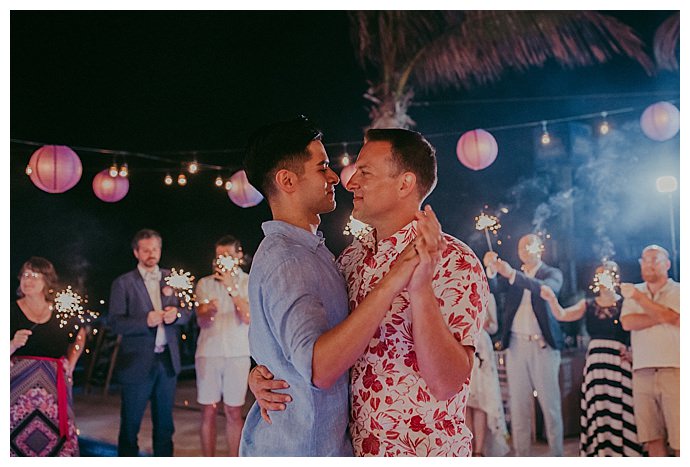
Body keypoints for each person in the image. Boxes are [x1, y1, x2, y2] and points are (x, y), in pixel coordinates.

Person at [246, 121, 487, 457]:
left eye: (366, 173)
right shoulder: (350, 260)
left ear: (405, 183)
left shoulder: (452, 261)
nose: (350, 181)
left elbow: (448, 383)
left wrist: (420, 291)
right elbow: (314, 344)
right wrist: (262, 372)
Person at [540, 260, 644, 456]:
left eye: (609, 273)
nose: (604, 277)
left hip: (618, 365)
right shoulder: (587, 304)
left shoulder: (627, 303)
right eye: (600, 273)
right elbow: (562, 315)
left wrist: (634, 353)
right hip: (596, 366)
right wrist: (551, 298)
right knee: (600, 409)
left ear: (616, 277)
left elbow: (639, 332)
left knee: (621, 407)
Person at [108, 229, 192, 456]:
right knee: (130, 426)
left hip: (167, 362)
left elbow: (188, 312)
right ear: (136, 252)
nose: (151, 253)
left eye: (155, 248)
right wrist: (145, 320)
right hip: (136, 363)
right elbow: (115, 323)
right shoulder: (123, 283)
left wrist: (177, 315)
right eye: (146, 249)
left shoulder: (172, 278)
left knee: (165, 425)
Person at [483, 234, 564, 456]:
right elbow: (495, 288)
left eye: (529, 246)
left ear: (540, 249)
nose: (525, 250)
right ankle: (521, 455)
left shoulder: (551, 273)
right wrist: (491, 269)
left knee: (551, 406)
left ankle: (557, 454)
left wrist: (512, 274)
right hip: (516, 345)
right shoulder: (514, 277)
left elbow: (546, 289)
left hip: (543, 346)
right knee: (519, 406)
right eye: (521, 247)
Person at [10, 257, 86, 456]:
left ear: (47, 281)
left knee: (54, 440)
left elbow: (79, 335)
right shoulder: (9, 311)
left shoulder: (61, 310)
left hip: (54, 388)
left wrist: (71, 362)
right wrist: (11, 345)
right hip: (17, 391)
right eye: (25, 275)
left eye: (35, 276)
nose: (28, 280)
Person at [620, 245, 679, 457]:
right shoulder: (634, 291)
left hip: (674, 369)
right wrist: (663, 315)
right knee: (651, 436)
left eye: (654, 260)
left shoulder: (680, 290)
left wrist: (640, 300)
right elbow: (627, 323)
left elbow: (676, 319)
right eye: (644, 260)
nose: (648, 265)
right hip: (642, 370)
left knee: (681, 437)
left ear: (667, 264)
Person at [194, 235, 251, 456]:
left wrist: (231, 288)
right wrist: (207, 310)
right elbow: (201, 319)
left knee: (233, 411)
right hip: (209, 352)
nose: (223, 260)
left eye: (227, 255)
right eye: (219, 256)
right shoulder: (205, 284)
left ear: (238, 255)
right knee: (208, 409)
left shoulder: (247, 281)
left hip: (238, 353)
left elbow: (248, 317)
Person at [466, 293, 510, 457]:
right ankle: (467, 449)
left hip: (481, 348)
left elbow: (494, 327)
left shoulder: (488, 295)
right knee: (465, 403)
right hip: (460, 341)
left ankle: (479, 451)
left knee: (481, 402)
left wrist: (484, 321)